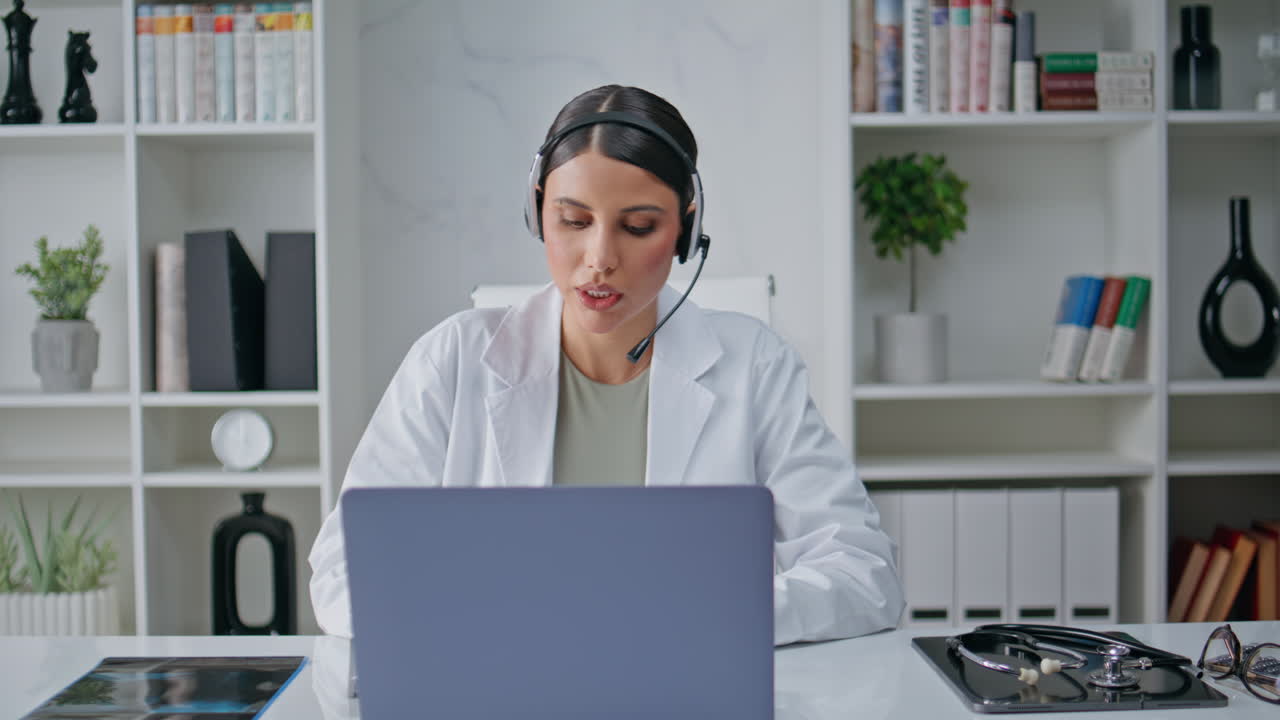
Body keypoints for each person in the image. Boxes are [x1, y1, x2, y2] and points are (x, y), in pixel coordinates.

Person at [308, 84, 904, 645]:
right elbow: (342, 570)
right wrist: (481, 621)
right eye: (573, 221)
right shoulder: (452, 360)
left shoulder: (755, 366)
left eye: (638, 227)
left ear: (685, 230)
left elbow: (864, 573)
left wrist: (712, 617)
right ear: (538, 213)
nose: (599, 259)